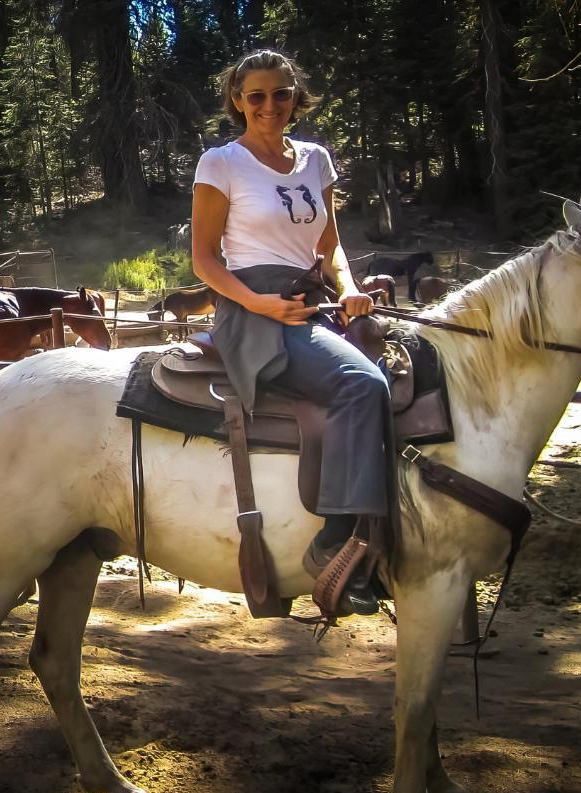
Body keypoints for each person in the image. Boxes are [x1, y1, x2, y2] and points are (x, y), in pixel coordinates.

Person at [191, 48, 388, 616]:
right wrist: (261, 304)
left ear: (295, 97)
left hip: (311, 300)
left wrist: (347, 286)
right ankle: (334, 543)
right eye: (256, 96)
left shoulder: (316, 160)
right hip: (252, 308)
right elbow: (204, 261)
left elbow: (330, 246)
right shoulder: (221, 163)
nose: (269, 106)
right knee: (362, 384)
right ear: (238, 102)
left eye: (281, 94)